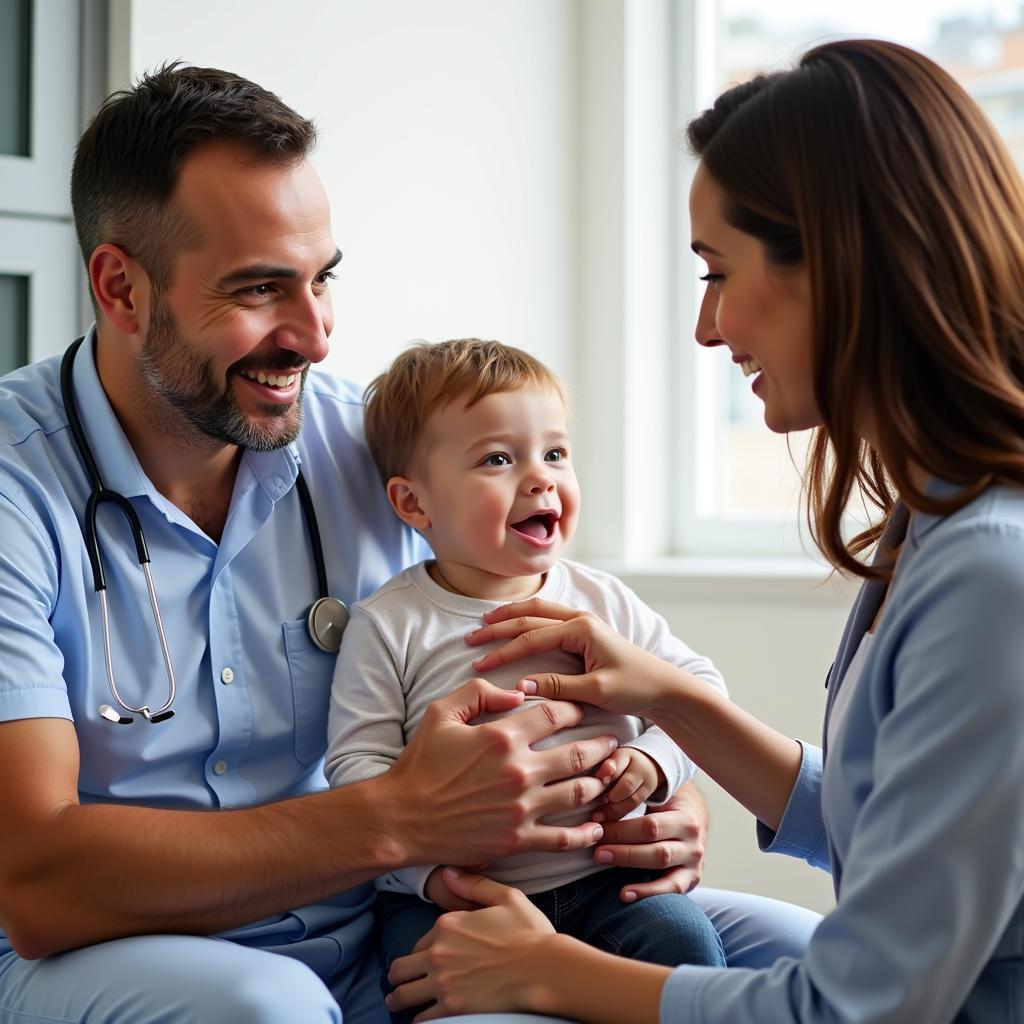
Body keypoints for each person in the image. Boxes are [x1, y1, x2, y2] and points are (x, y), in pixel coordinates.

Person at [0, 64, 817, 1024]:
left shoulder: (378, 449)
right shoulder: (21, 492)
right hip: (128, 949)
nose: (313, 335)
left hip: (397, 910)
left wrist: (646, 798)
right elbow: (40, 884)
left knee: (796, 953)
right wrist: (402, 821)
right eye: (260, 290)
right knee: (269, 1008)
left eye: (322, 280)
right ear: (121, 287)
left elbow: (583, 657)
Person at [385, 37, 1024, 1024]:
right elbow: (877, 820)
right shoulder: (930, 516)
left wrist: (543, 970)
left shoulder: (989, 569)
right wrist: (671, 703)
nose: (708, 327)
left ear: (838, 259)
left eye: (716, 274)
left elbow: (862, 1004)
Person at [325, 339, 729, 1018]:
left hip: (608, 883)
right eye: (498, 459)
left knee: (689, 952)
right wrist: (428, 878)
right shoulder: (389, 624)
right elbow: (357, 767)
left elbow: (696, 689)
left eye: (555, 453)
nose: (541, 478)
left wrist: (654, 762)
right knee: (432, 993)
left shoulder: (601, 602)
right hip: (463, 897)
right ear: (414, 503)